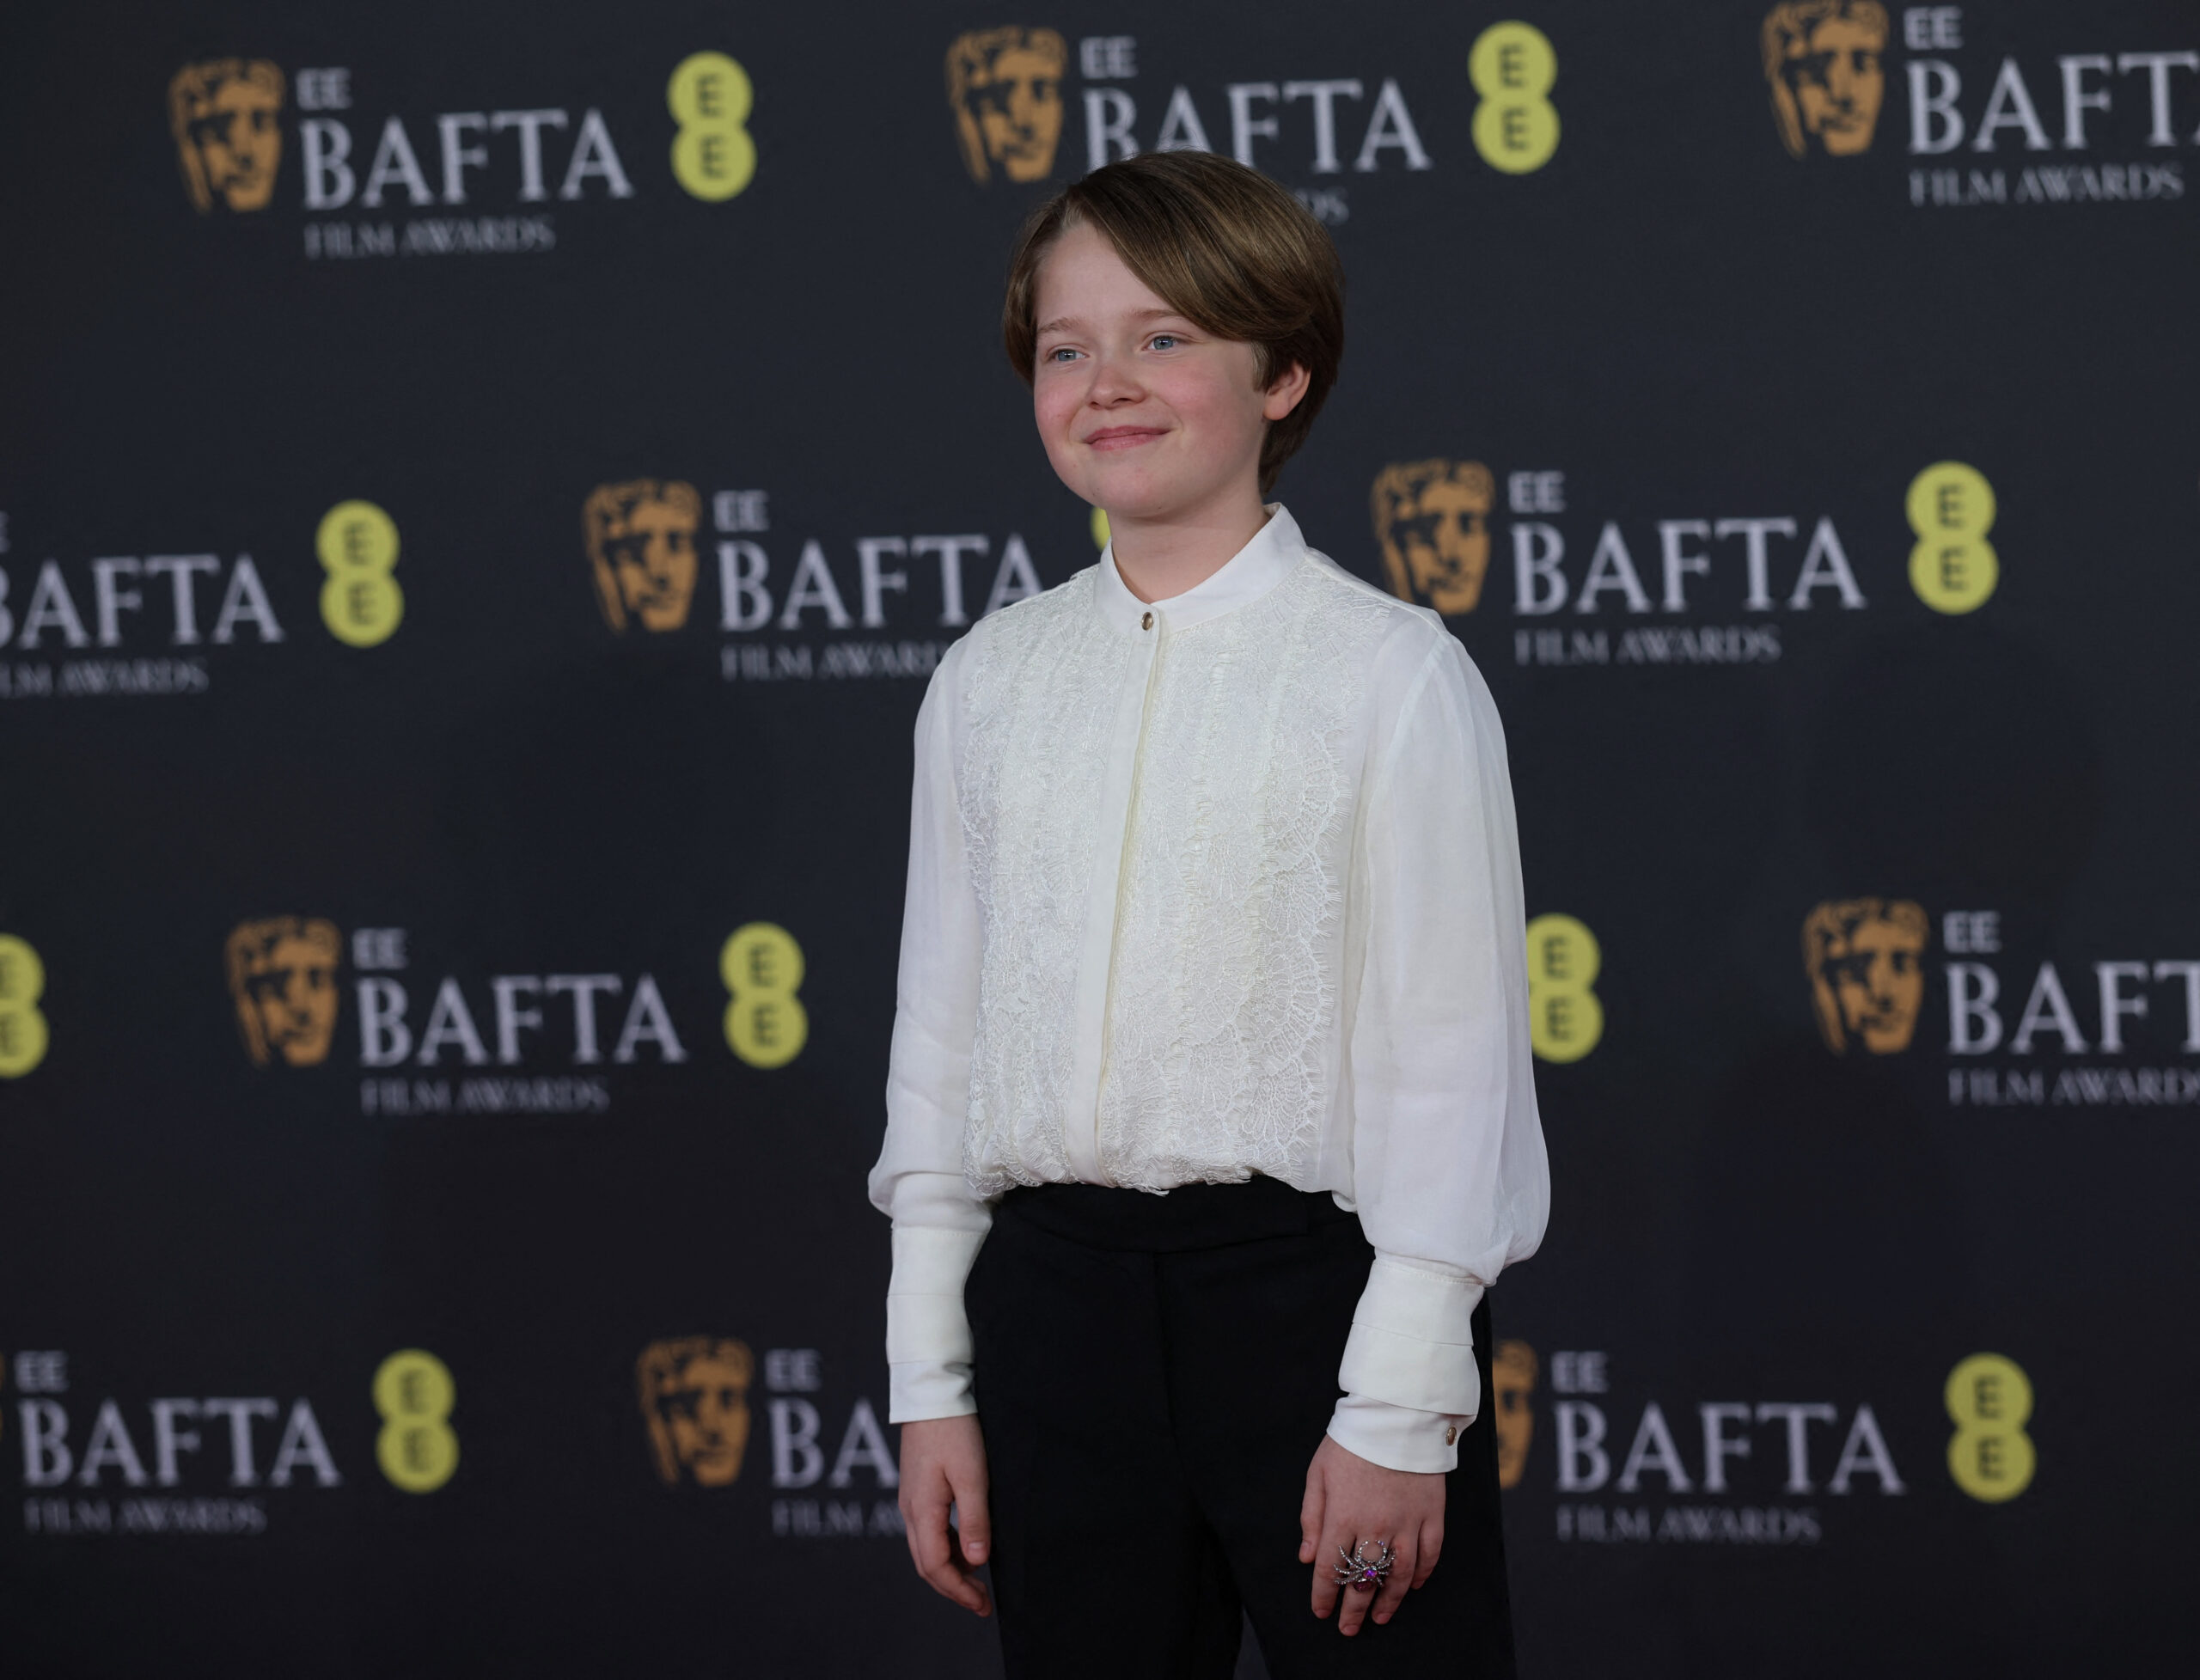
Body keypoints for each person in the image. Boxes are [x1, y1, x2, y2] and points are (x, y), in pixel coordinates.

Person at [868, 150, 1548, 1677]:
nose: (1108, 381)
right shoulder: (990, 680)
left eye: (1164, 337)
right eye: (1066, 347)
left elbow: (1449, 1069)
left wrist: (1397, 1404)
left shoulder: (1390, 675)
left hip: (1312, 1306)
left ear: (1284, 370)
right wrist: (934, 1379)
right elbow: (944, 1046)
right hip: (1050, 1314)